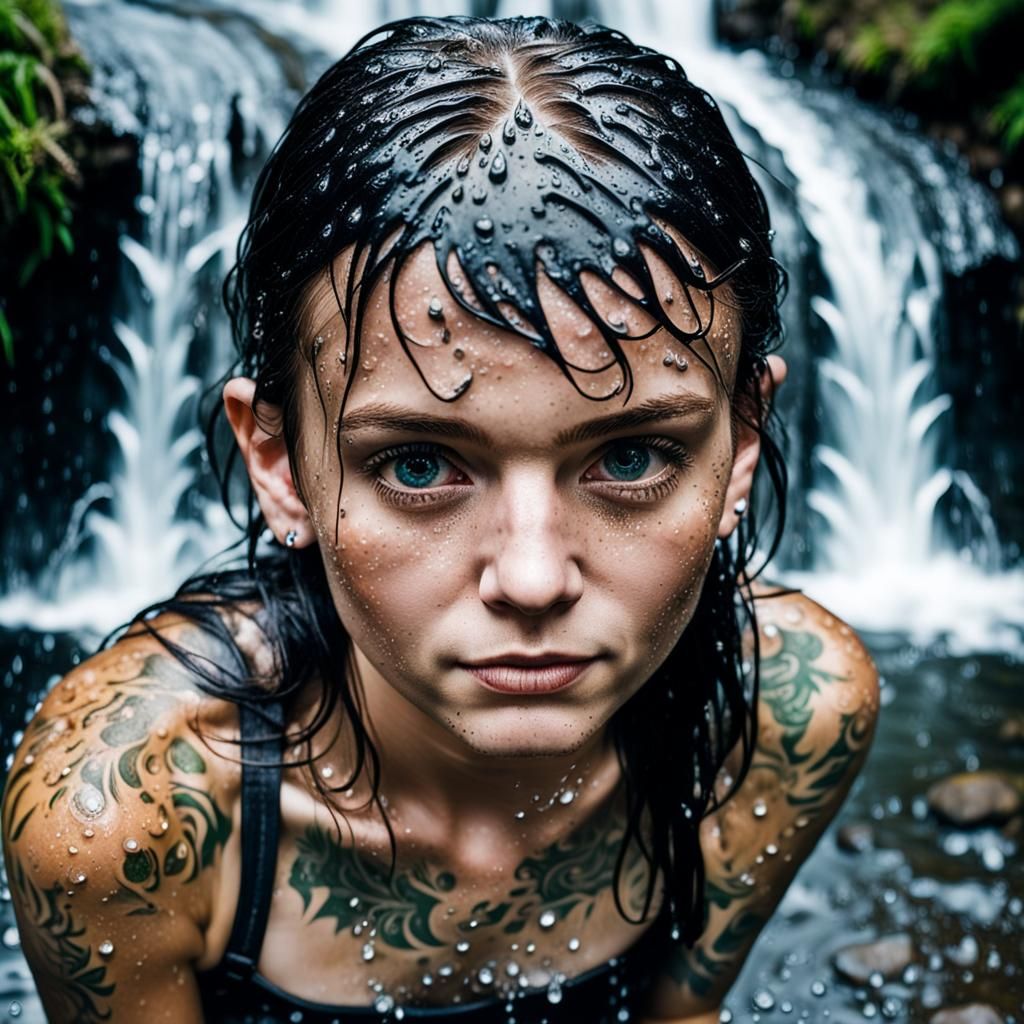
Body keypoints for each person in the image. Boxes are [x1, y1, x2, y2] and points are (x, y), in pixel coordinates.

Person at [2, 15, 879, 1024]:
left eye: (631, 457)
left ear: (743, 439)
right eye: (418, 465)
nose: (534, 576)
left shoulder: (787, 717)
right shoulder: (124, 818)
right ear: (279, 463)